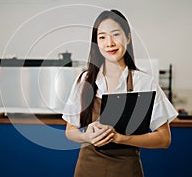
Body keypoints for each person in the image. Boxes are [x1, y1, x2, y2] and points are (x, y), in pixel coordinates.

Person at [62, 9, 178, 177]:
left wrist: (120, 138)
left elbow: (164, 139)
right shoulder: (85, 80)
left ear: (128, 37)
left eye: (115, 35)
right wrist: (86, 137)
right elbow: (70, 131)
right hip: (87, 169)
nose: (109, 43)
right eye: (102, 37)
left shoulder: (144, 83)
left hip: (126, 169)